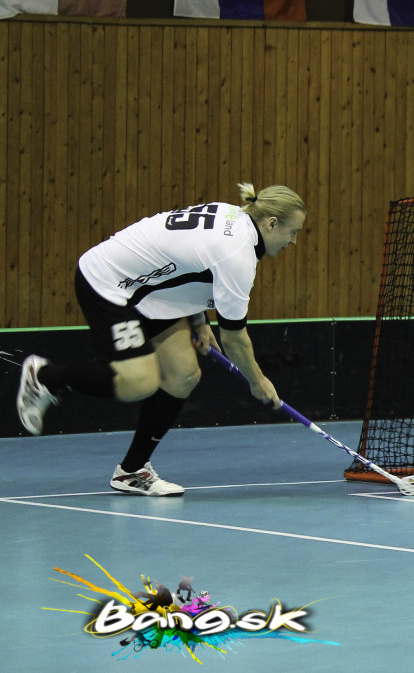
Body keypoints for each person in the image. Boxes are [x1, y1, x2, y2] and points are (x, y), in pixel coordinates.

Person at [16, 183, 307, 496]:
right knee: (138, 381)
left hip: (151, 289)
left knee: (184, 374)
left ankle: (131, 471)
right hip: (109, 282)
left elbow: (187, 261)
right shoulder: (239, 254)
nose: (293, 241)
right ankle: (44, 378)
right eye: (293, 232)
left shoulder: (232, 216)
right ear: (272, 223)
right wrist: (257, 381)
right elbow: (234, 340)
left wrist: (198, 319)